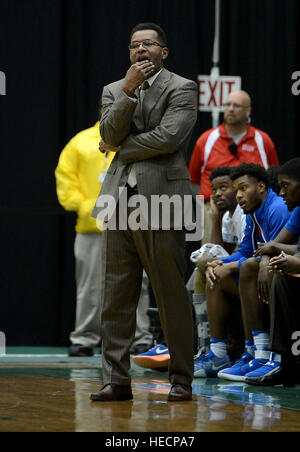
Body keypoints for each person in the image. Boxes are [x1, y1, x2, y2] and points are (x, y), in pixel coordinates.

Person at [90, 23, 198, 402]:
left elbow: (170, 138)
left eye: (148, 44)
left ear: (163, 51)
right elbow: (107, 129)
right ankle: (116, 380)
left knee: (170, 293)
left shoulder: (182, 87)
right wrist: (129, 90)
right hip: (116, 198)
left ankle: (181, 377)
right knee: (115, 294)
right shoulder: (113, 90)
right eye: (135, 45)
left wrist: (120, 146)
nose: (141, 50)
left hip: (165, 198)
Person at [55, 122, 152, 357]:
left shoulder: (136, 140)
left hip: (131, 220)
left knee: (138, 282)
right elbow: (65, 178)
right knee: (90, 285)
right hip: (92, 226)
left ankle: (141, 337)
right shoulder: (81, 141)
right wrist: (86, 206)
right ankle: (84, 338)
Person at [194, 163, 290, 378]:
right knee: (214, 274)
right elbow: (246, 251)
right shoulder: (252, 214)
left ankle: (260, 353)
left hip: (283, 278)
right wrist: (221, 263)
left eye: (243, 188)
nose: (238, 195)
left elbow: (274, 254)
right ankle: (218, 354)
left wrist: (229, 265)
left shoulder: (277, 208)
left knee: (246, 268)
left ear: (262, 187)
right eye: (236, 189)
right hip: (262, 278)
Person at [189, 90, 279, 246]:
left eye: (236, 105)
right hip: (214, 208)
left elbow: (274, 178)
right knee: (210, 257)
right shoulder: (207, 139)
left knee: (247, 256)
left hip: (253, 208)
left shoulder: (263, 141)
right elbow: (193, 180)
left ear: (248, 111)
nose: (230, 109)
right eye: (228, 104)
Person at [243, 158, 300, 386]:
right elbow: (274, 244)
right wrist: (269, 256)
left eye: (286, 185)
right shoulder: (297, 210)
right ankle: (284, 361)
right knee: (276, 271)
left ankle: (279, 358)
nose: (282, 192)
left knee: (283, 273)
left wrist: (290, 260)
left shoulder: (276, 209)